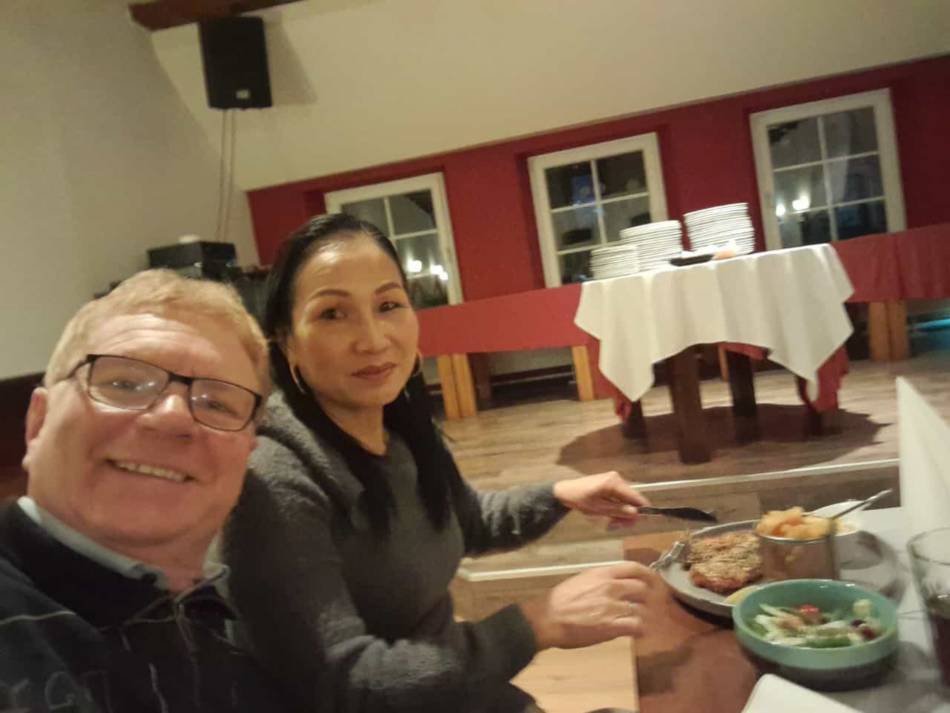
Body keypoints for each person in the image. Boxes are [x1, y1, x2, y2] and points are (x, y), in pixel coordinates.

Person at [221, 213, 656, 713]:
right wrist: (538, 623)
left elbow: (460, 520)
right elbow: (346, 683)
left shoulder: (398, 425)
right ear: (286, 341)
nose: (373, 339)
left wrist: (559, 495)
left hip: (451, 691)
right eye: (333, 314)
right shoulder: (272, 482)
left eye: (388, 305)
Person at [0, 270, 286, 712]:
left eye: (217, 403)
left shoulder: (247, 647)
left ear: (248, 453)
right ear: (37, 423)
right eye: (124, 384)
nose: (172, 416)